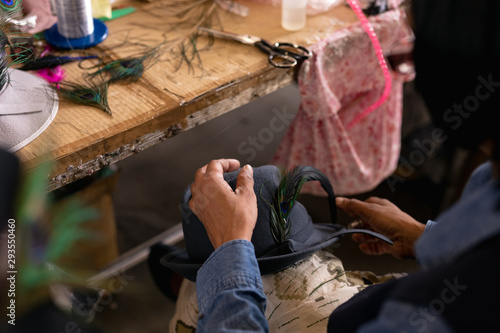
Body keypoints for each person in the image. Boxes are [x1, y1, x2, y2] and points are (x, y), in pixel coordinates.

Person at [182, 0, 500, 332]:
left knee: (200, 295)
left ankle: (180, 285)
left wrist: (231, 250)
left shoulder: (426, 319)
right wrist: (425, 237)